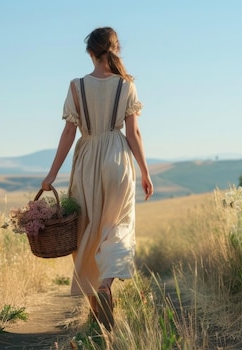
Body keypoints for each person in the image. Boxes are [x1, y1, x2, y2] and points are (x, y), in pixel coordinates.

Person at [41, 27, 154, 331]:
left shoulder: (76, 87)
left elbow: (68, 133)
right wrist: (144, 171)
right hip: (117, 160)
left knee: (85, 233)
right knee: (117, 227)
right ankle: (106, 285)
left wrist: (51, 174)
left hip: (87, 159)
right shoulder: (126, 86)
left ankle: (95, 304)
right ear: (116, 50)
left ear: (90, 52)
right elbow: (134, 134)